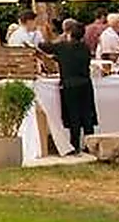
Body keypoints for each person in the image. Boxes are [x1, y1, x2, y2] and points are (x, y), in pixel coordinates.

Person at [39, 19, 97, 155]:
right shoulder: (85, 48)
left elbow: (44, 46)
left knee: (73, 116)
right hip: (85, 84)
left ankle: (75, 144)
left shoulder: (63, 47)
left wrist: (44, 32)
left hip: (70, 85)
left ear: (69, 33)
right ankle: (91, 144)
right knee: (87, 115)